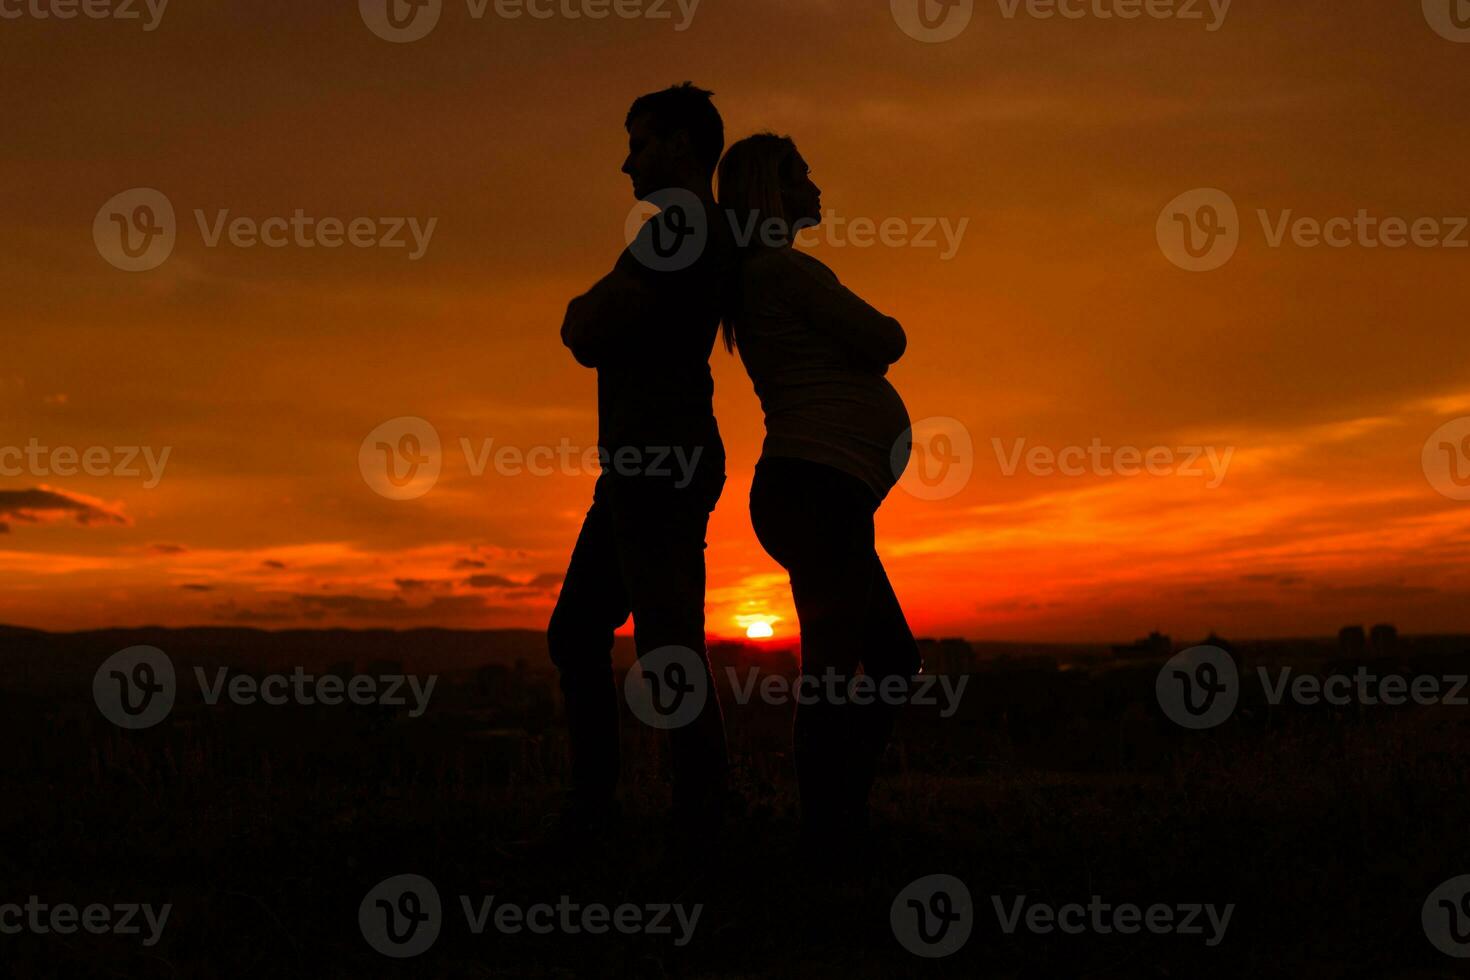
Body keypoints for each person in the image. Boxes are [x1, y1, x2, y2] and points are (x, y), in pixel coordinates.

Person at [717, 133, 921, 852]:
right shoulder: (783, 273)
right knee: (835, 670)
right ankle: (827, 834)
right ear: (772, 193)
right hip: (816, 491)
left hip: (820, 493)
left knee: (891, 660)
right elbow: (885, 338)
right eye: (801, 174)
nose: (816, 184)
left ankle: (840, 818)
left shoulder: (766, 277)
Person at [549, 83, 733, 839]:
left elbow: (587, 326)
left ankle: (698, 814)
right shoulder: (689, 230)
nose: (627, 165)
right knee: (591, 633)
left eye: (640, 143)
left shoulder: (681, 226)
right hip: (646, 459)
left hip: (658, 459)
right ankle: (622, 809)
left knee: (663, 644)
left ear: (681, 144)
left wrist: (584, 312)